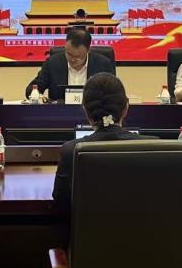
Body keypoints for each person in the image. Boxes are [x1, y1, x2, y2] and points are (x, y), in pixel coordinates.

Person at [52, 73, 152, 213]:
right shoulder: (153, 148)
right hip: (142, 226)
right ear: (126, 108)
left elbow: (60, 202)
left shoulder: (70, 151)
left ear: (85, 110)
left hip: (87, 227)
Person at [26, 28, 114, 99]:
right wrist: (37, 95)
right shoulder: (52, 63)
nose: (72, 59)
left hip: (93, 113)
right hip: (60, 113)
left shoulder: (103, 64)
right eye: (69, 54)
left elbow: (114, 93)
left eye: (78, 57)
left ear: (88, 50)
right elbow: (33, 88)